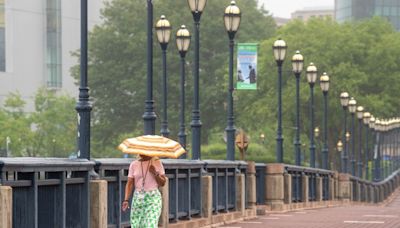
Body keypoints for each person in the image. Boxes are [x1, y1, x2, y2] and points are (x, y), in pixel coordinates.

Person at [122, 155, 166, 227]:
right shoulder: (134, 164)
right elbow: (129, 183)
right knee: (137, 225)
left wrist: (155, 173)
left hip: (153, 198)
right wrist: (126, 200)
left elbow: (163, 183)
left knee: (150, 224)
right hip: (138, 198)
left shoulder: (157, 162)